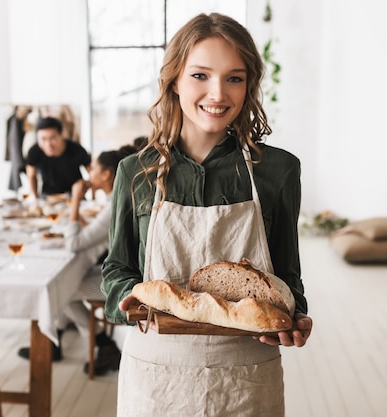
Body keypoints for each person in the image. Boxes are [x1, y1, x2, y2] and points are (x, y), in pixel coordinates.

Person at [101, 13, 313, 416]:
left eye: (234, 77)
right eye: (200, 75)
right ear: (174, 80)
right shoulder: (135, 172)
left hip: (247, 374)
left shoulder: (278, 172)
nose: (218, 93)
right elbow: (116, 269)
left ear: (248, 85)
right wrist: (127, 299)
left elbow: (287, 274)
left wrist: (294, 317)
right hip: (156, 376)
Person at [19, 144, 137, 375]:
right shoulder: (118, 197)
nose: (88, 173)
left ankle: (105, 346)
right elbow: (98, 232)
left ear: (106, 174)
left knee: (63, 290)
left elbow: (75, 244)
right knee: (63, 283)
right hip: (117, 270)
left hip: (122, 280)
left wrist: (75, 200)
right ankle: (55, 342)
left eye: (92, 169)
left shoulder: (115, 203)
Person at [25, 116, 91, 198]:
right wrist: (35, 197)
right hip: (48, 197)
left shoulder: (77, 149)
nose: (48, 144)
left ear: (62, 135)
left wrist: (93, 196)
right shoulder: (34, 151)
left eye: (52, 138)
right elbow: (31, 175)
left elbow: (93, 173)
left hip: (75, 197)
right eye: (43, 139)